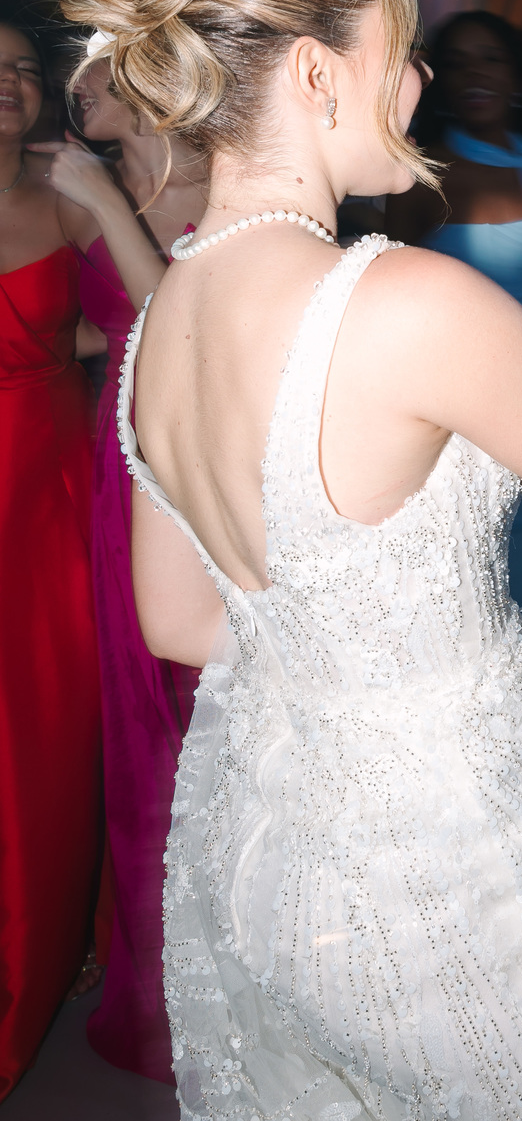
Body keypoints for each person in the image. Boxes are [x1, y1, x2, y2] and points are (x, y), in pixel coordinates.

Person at [55, 0, 522, 1119]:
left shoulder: (160, 323)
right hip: (447, 864)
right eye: (399, 52)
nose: (414, 84)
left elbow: (183, 625)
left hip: (264, 852)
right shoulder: (399, 303)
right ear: (317, 75)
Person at [27, 54, 207, 1081]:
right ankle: (153, 970)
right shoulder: (82, 186)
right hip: (116, 459)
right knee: (136, 704)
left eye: (91, 71)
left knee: (202, 700)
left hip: (195, 455)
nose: (68, 86)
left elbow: (187, 323)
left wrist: (102, 200)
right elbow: (114, 325)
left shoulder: (216, 177)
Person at [386, 11, 522, 748]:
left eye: (493, 61)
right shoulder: (422, 179)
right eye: (461, 63)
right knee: (473, 641)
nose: (478, 75)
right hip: (460, 454)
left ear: (515, 79)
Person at [0, 16, 102, 1101]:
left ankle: (34, 955)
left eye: (25, 70)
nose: (11, 85)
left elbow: (143, 308)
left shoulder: (67, 197)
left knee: (35, 729)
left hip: (43, 495)